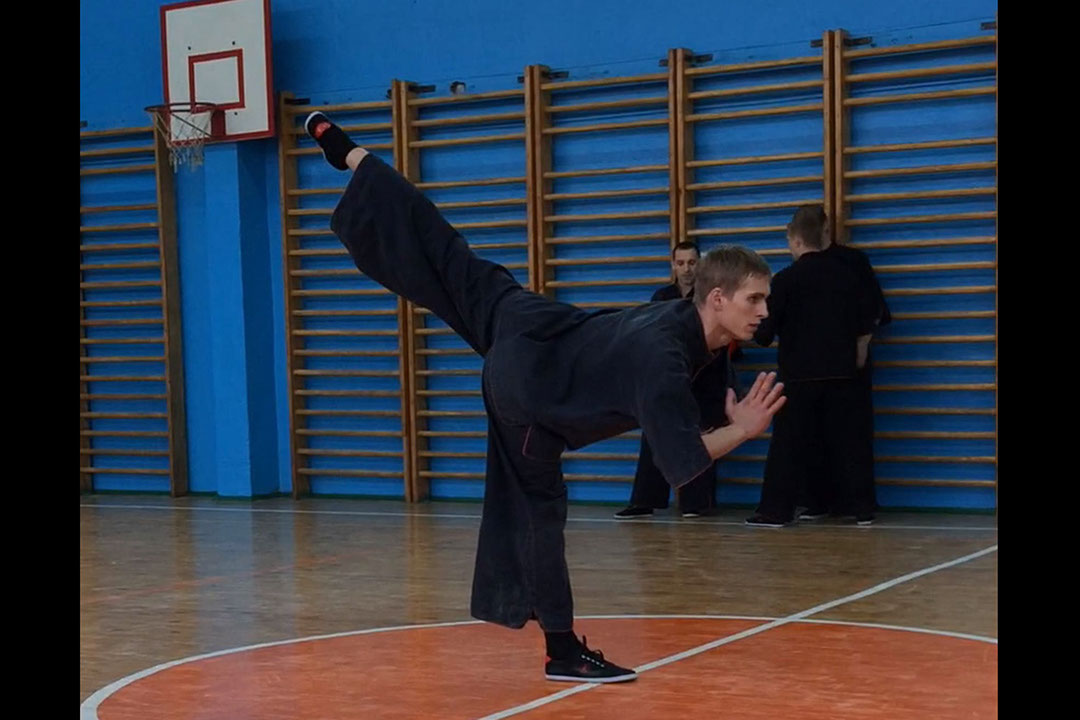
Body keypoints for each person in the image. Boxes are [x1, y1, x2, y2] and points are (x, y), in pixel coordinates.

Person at [305, 112, 787, 682]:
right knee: (540, 513)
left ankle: (350, 155)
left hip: (527, 319)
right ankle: (563, 652)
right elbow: (682, 462)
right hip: (528, 388)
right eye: (754, 300)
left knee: (448, 252)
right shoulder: (662, 359)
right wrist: (744, 429)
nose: (764, 311)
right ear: (716, 299)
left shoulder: (681, 318)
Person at [746, 205, 877, 528]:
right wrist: (859, 351)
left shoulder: (786, 280)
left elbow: (764, 333)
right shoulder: (849, 273)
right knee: (850, 442)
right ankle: (861, 508)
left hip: (799, 375)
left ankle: (776, 510)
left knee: (789, 446)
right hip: (844, 371)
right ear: (824, 235)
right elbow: (870, 317)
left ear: (795, 239)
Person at [614, 241, 735, 519]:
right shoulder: (662, 297)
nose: (686, 269)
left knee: (702, 438)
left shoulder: (711, 297)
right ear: (673, 266)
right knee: (655, 435)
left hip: (706, 377)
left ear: (700, 264)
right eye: (680, 263)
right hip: (668, 377)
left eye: (692, 263)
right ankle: (644, 500)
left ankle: (697, 503)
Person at [797, 220, 892, 522]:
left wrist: (862, 345)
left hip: (848, 364)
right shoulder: (799, 269)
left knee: (852, 436)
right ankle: (817, 501)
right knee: (814, 435)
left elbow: (873, 308)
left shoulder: (851, 261)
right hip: (811, 366)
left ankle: (860, 504)